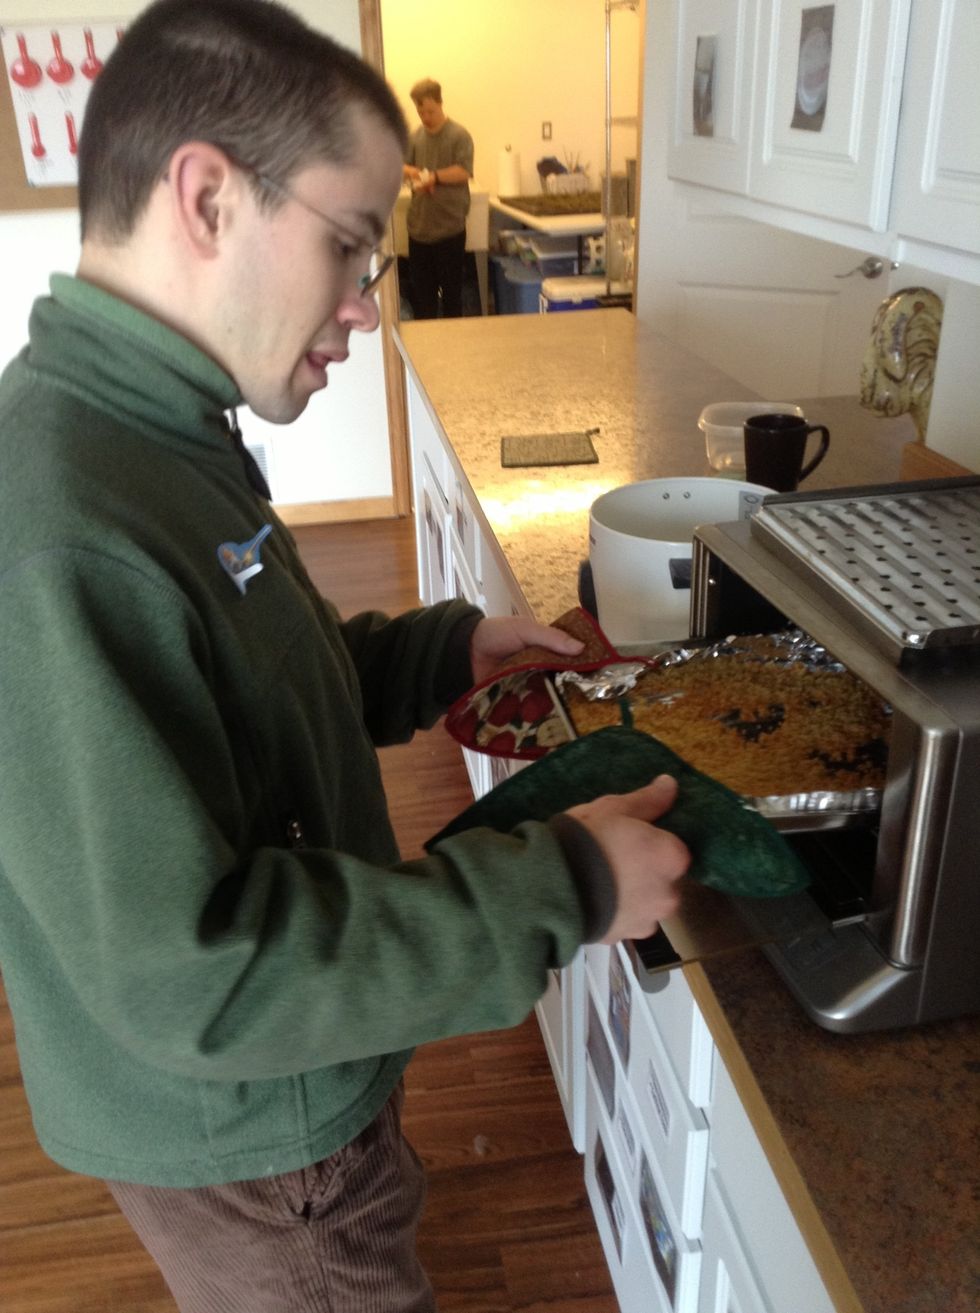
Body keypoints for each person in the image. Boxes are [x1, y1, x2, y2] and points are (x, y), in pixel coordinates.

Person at [0, 3, 688, 1310]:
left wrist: (446, 647)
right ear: (206, 197)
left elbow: (253, 678)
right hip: (261, 1149)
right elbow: (197, 975)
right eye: (350, 246)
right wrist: (564, 886)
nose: (366, 309)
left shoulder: (157, 434)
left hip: (279, 1101)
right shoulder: (67, 527)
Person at [402, 78, 474, 319]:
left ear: (441, 103)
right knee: (423, 300)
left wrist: (434, 177)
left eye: (430, 110)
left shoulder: (459, 135)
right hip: (419, 232)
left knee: (452, 297)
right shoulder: (414, 137)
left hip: (449, 231)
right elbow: (404, 168)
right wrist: (410, 173)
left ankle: (455, 351)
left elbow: (464, 171)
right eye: (420, 111)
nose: (425, 116)